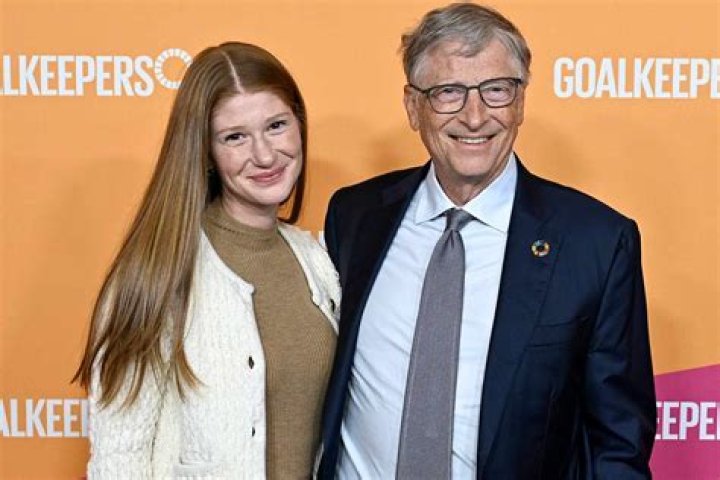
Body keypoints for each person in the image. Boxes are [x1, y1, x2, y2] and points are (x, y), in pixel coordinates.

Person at [318, 3, 655, 479]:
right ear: (413, 106)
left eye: (496, 90)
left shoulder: (595, 243)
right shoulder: (355, 217)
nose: (475, 117)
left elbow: (617, 444)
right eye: (449, 92)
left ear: (520, 102)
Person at [73, 42, 340, 478]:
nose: (265, 155)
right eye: (235, 137)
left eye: (276, 125)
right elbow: (119, 458)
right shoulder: (157, 275)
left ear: (299, 124)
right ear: (206, 152)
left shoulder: (320, 263)